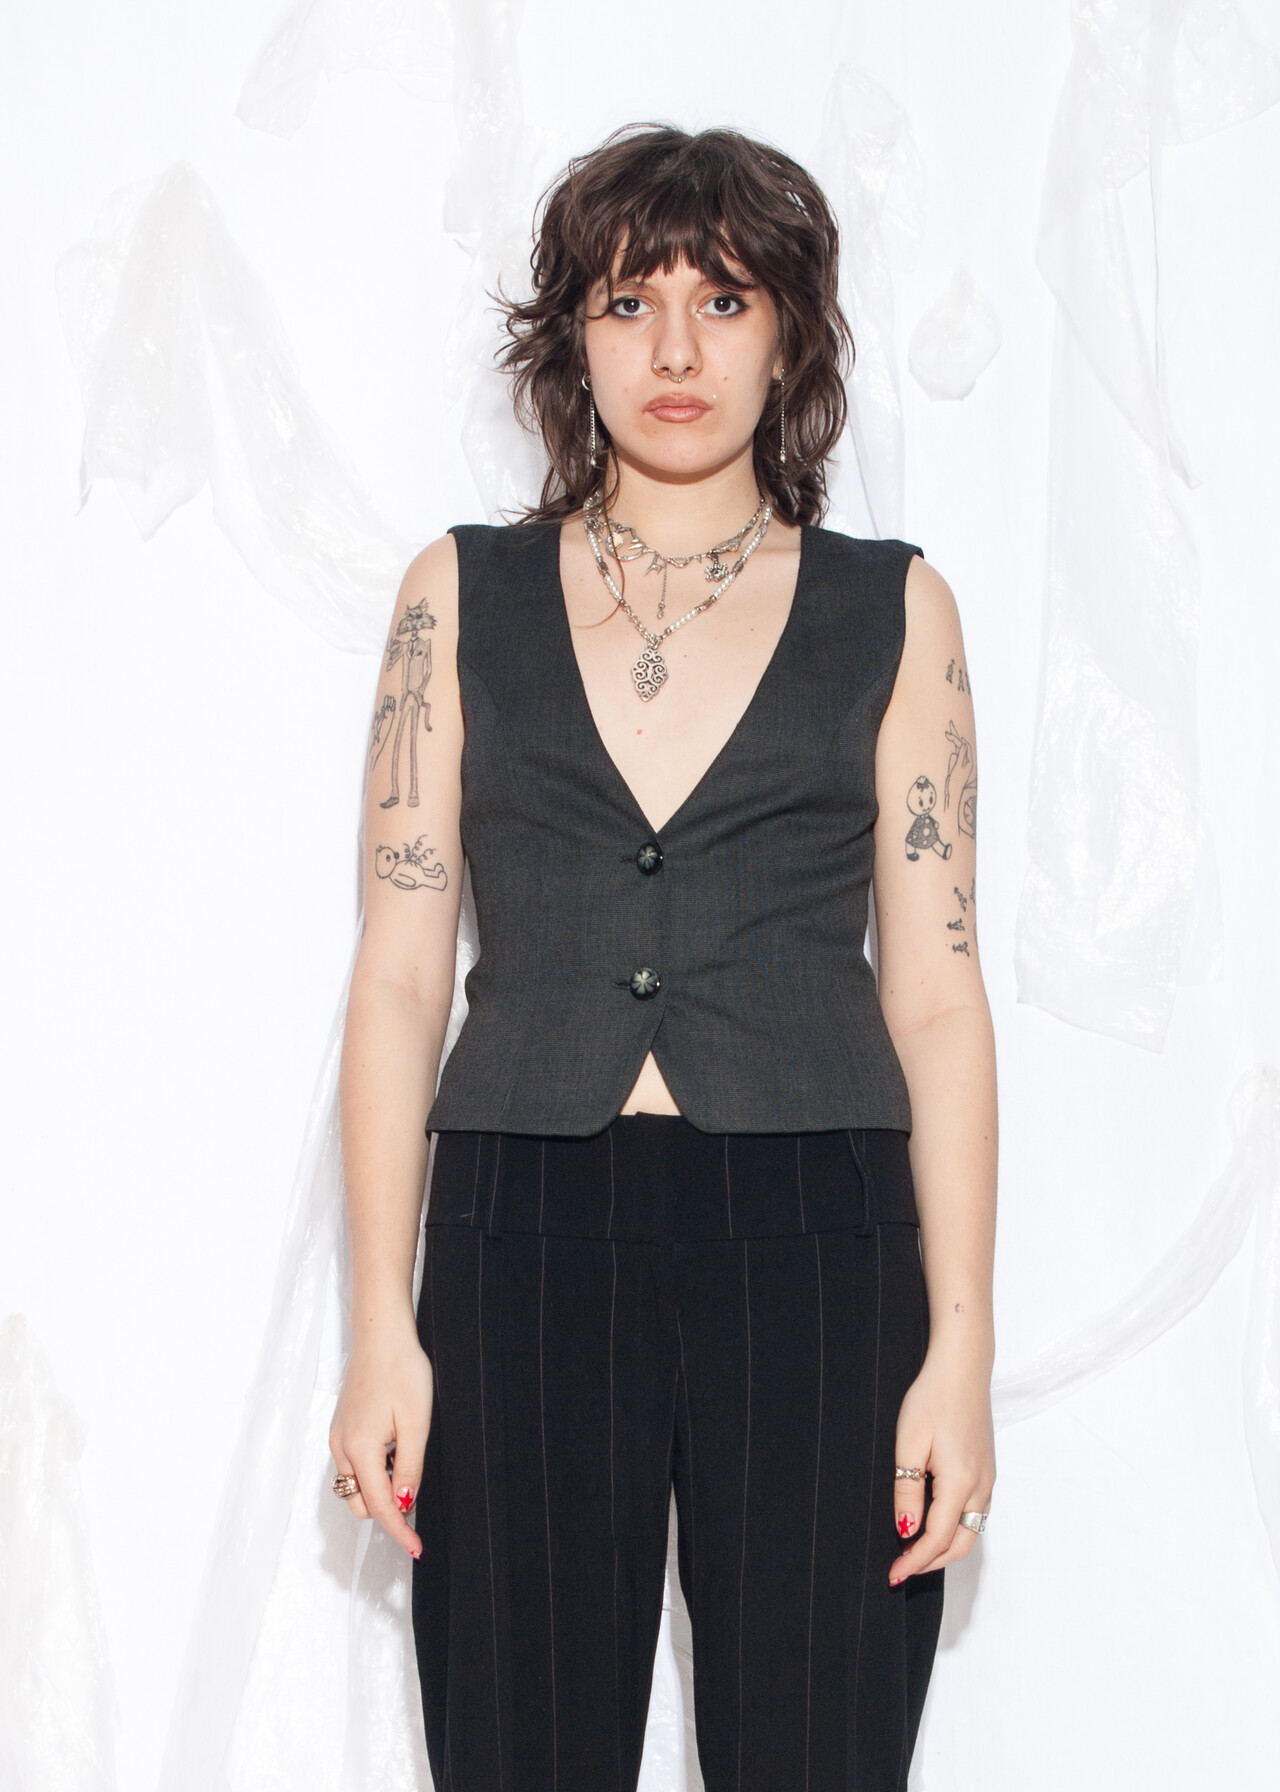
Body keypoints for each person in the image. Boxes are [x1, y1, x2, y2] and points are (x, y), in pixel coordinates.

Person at [329, 122, 997, 1792]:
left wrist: (961, 1349)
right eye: (630, 304)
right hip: (524, 1231)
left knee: (817, 1752)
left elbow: (937, 993)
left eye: (727, 299)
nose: (678, 349)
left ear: (792, 335)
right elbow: (399, 977)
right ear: (574, 336)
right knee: (520, 1751)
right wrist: (380, 1326)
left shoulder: (894, 609)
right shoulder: (457, 598)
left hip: (818, 1236)